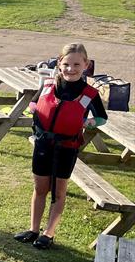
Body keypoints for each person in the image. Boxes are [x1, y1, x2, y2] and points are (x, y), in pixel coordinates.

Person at [14, 43, 107, 249]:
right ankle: (33, 229)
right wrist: (33, 111)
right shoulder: (48, 84)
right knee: (40, 188)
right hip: (43, 144)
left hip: (67, 147)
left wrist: (88, 122)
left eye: (76, 64)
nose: (70, 69)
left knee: (58, 191)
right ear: (59, 64)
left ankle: (49, 233)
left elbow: (101, 118)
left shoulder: (90, 93)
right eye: (66, 64)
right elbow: (34, 103)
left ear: (86, 65)